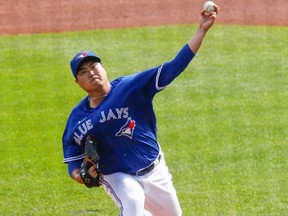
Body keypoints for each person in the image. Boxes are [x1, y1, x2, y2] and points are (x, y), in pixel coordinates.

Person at [62, 5, 219, 216]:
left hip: (154, 169)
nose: (90, 72)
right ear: (77, 82)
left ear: (104, 68)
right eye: (83, 71)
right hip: (116, 174)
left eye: (94, 66)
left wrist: (201, 30)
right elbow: (71, 151)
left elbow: (174, 67)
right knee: (133, 203)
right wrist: (78, 175)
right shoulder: (77, 118)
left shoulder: (131, 87)